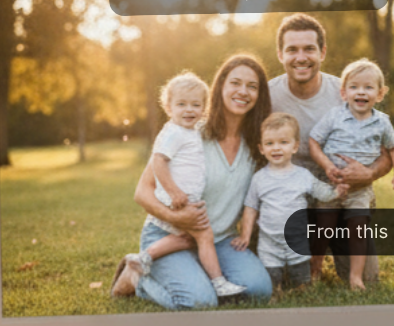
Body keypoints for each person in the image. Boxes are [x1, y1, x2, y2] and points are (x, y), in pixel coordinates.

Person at [111, 54, 273, 309]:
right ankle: (137, 278)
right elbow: (142, 192)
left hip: (219, 239)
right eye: (235, 83)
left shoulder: (258, 144)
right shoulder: (189, 131)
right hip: (168, 233)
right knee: (199, 302)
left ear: (259, 95)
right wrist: (175, 217)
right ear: (220, 87)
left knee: (258, 290)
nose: (243, 91)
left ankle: (198, 273)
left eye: (252, 86)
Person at [267, 14, 392, 281]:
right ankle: (304, 253)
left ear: (322, 52)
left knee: (367, 278)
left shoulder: (347, 93)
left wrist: (369, 173)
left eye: (309, 49)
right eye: (292, 49)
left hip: (341, 195)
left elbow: (387, 155)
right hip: (290, 200)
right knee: (285, 279)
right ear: (280, 54)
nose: (301, 57)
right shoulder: (267, 97)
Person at [124, 70, 245, 300]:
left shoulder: (192, 130)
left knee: (187, 238)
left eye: (196, 105)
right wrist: (174, 192)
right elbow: (158, 162)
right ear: (168, 108)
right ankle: (217, 282)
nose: (189, 110)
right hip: (177, 200)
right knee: (204, 235)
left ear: (204, 108)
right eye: (181, 104)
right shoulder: (173, 133)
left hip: (185, 198)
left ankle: (144, 259)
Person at [309, 59, 394, 291]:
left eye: (368, 87)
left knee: (358, 231)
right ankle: (315, 269)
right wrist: (326, 166)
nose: (361, 92)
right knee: (323, 229)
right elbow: (313, 141)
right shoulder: (334, 116)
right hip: (330, 185)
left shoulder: (382, 122)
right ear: (344, 93)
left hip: (360, 190)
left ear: (380, 94)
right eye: (354, 87)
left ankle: (355, 277)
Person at [233, 111, 340, 292]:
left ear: (295, 146)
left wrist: (337, 191)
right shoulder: (259, 178)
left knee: (301, 279)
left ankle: (300, 287)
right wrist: (245, 235)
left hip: (297, 241)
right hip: (269, 243)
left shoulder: (303, 175)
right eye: (270, 143)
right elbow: (251, 207)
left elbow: (322, 193)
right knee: (271, 280)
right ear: (261, 148)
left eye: (283, 142)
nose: (276, 148)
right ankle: (276, 289)